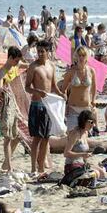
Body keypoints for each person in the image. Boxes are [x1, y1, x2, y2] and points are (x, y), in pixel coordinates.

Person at [25, 39, 65, 173]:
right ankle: (32, 168)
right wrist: (37, 91)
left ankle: (41, 167)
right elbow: (27, 87)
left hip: (49, 107)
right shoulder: (33, 67)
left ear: (48, 52)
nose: (40, 54)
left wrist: (61, 94)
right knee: (37, 138)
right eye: (38, 51)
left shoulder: (52, 66)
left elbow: (53, 86)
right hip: (37, 105)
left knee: (46, 138)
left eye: (42, 51)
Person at [0, 47, 27, 172]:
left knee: (19, 136)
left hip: (17, 106)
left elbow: (27, 65)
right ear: (10, 58)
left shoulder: (16, 65)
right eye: (15, 60)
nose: (17, 63)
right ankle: (9, 165)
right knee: (8, 137)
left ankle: (6, 162)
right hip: (7, 107)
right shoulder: (2, 72)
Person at [61, 46, 97, 132]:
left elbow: (94, 87)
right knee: (72, 134)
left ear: (87, 57)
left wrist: (93, 100)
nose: (81, 57)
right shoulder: (71, 71)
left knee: (84, 136)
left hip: (86, 108)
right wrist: (65, 104)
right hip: (73, 107)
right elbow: (63, 90)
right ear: (75, 56)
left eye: (83, 55)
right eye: (79, 55)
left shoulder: (91, 71)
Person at [64, 110, 105, 178]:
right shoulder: (75, 134)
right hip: (72, 166)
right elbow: (66, 153)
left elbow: (84, 154)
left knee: (102, 172)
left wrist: (87, 160)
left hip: (82, 164)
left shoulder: (85, 133)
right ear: (84, 121)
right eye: (91, 122)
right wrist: (82, 154)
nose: (93, 125)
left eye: (94, 122)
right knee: (96, 173)